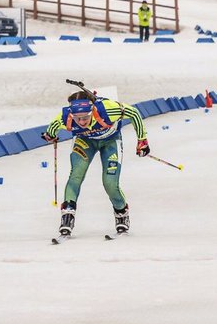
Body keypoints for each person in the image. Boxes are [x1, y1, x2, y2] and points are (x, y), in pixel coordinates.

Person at [41, 90, 150, 238]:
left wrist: (142, 140)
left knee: (110, 183)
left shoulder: (108, 109)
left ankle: (121, 212)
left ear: (92, 110)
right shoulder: (64, 117)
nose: (82, 122)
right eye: (77, 118)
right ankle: (67, 217)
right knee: (76, 175)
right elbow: (51, 131)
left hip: (110, 141)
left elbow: (134, 113)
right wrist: (50, 136)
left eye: (85, 117)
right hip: (84, 141)